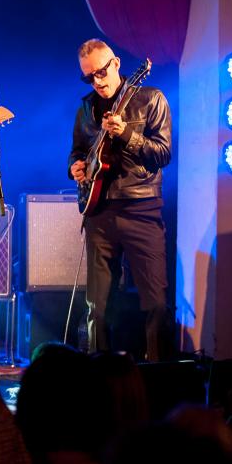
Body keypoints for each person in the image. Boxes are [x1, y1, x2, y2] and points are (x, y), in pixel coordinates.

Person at [69, 38, 172, 362]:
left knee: (156, 303)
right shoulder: (86, 109)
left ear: (115, 63)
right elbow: (77, 151)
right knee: (97, 308)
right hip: (99, 213)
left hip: (142, 208)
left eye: (101, 72)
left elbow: (163, 154)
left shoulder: (151, 98)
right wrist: (75, 167)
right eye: (89, 77)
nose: (97, 82)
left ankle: (157, 376)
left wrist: (126, 133)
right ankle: (99, 379)